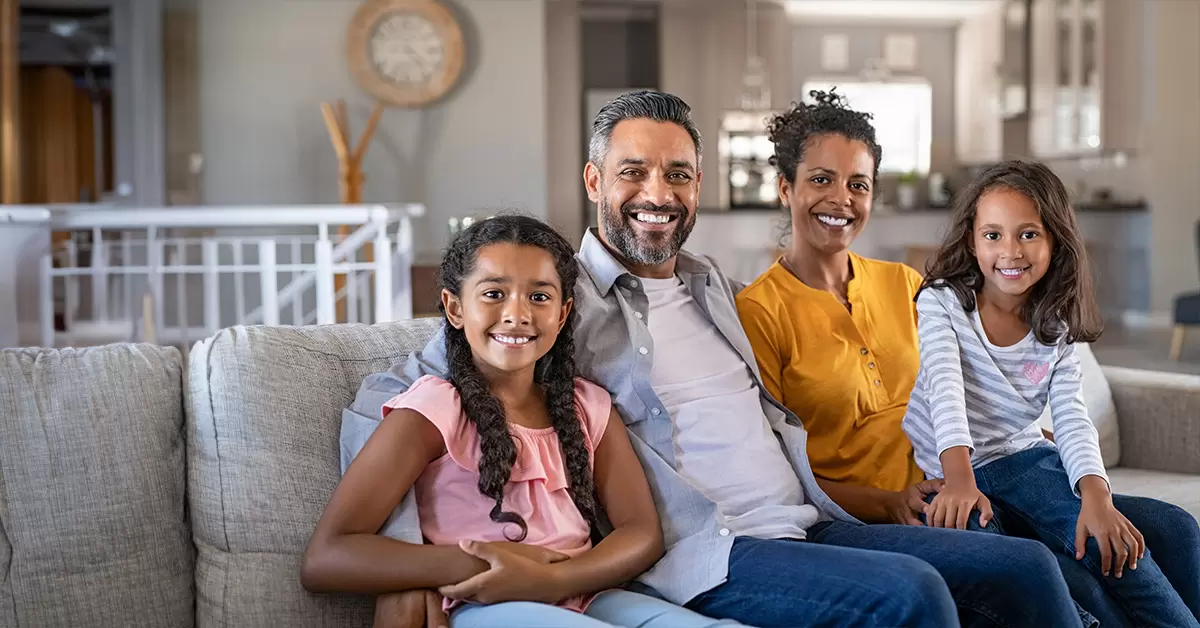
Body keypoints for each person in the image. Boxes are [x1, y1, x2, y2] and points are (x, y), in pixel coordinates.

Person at [342, 89, 1078, 628]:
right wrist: (413, 574)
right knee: (912, 594)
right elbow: (393, 388)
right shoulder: (552, 300)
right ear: (595, 182)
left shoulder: (712, 288)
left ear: (699, 185)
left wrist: (889, 494)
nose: (657, 194)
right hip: (711, 555)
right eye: (633, 172)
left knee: (1022, 565)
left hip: (809, 522)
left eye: (679, 175)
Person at [302, 214, 741, 628]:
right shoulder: (434, 409)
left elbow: (641, 532)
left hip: (585, 594)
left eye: (539, 296)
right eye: (494, 294)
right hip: (483, 603)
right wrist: (479, 563)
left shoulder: (587, 405)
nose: (518, 314)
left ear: (564, 313)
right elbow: (327, 557)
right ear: (454, 309)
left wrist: (554, 579)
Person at [903, 159, 1200, 628]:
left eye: (1028, 234)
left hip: (1026, 461)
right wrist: (958, 478)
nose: (1010, 251)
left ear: (1055, 240)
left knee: (1113, 541)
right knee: (1040, 569)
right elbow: (945, 389)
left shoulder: (1056, 321)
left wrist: (1096, 495)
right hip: (957, 468)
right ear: (971, 241)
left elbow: (1072, 416)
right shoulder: (942, 301)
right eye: (993, 235)